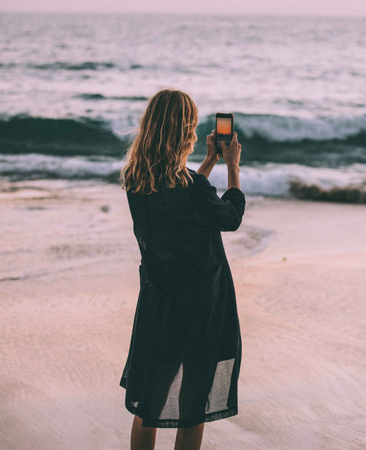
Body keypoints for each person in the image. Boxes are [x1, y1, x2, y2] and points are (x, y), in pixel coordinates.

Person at [119, 88, 245, 450]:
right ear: (183, 131)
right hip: (199, 305)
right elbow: (229, 217)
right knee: (193, 407)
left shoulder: (136, 178)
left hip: (158, 301)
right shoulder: (192, 188)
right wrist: (232, 166)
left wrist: (206, 165)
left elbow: (185, 200)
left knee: (149, 401)